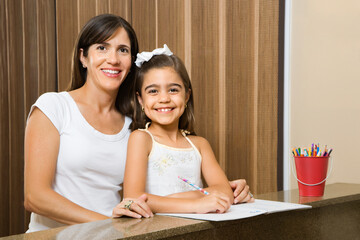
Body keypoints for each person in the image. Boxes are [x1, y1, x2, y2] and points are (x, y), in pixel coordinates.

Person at [24, 14, 251, 232]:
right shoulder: (54, 106)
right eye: (102, 47)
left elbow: (165, 177)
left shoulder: (133, 125)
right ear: (83, 57)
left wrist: (228, 190)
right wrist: (108, 225)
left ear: (131, 62)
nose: (113, 59)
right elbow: (35, 197)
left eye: (123, 50)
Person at [122, 45, 253, 214]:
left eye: (173, 90)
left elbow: (224, 192)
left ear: (187, 96)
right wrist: (197, 203)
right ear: (140, 99)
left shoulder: (200, 145)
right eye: (153, 91)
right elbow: (133, 199)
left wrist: (162, 200)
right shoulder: (141, 139)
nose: (164, 98)